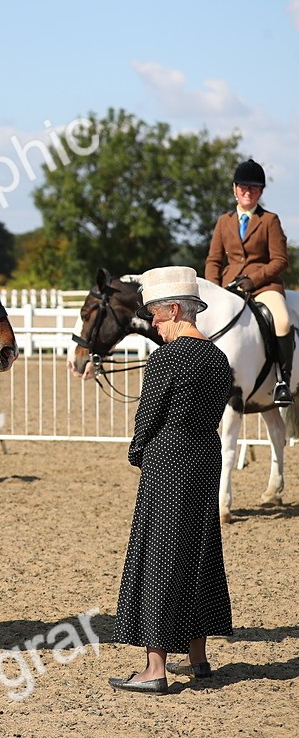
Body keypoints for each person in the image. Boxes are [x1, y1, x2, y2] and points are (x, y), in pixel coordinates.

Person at [108, 266, 233, 695]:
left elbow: (148, 417)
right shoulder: (218, 357)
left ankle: (155, 668)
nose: (154, 326)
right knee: (199, 550)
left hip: (169, 457)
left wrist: (138, 452)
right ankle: (197, 657)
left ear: (176, 310)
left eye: (157, 318)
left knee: (160, 555)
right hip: (205, 455)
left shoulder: (168, 357)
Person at [204, 158, 292, 404]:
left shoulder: (270, 221)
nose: (247, 191)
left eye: (253, 188)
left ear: (260, 192)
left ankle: (282, 382)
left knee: (283, 322)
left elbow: (280, 260)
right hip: (228, 288)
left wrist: (253, 280)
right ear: (234, 189)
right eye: (243, 186)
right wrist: (214, 289)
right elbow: (213, 260)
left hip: (264, 286)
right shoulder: (224, 221)